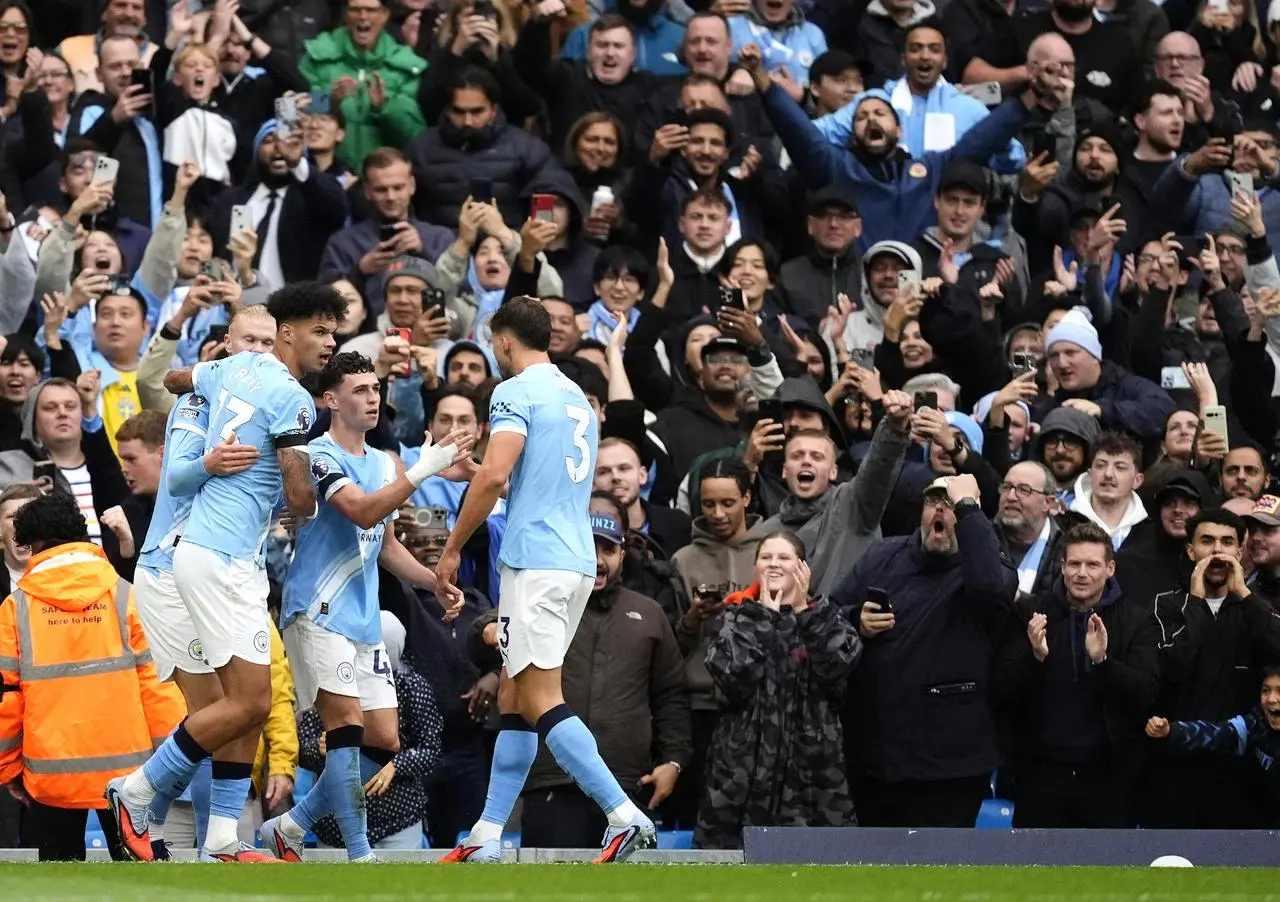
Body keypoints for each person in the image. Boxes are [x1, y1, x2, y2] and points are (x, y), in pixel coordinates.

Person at [104, 282, 346, 863]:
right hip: (191, 562)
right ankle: (135, 794)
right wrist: (307, 474)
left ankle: (220, 839)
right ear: (272, 337)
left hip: (226, 560)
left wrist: (214, 373)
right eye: (321, 331)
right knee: (240, 704)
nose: (331, 343)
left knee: (241, 704)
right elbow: (291, 495)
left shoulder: (227, 375)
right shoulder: (283, 400)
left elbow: (171, 378)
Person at [436, 295, 657, 863]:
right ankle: (486, 835)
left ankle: (622, 812)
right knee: (514, 694)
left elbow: (494, 478)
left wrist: (453, 546)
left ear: (505, 341)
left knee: (539, 697)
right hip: (574, 558)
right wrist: (489, 475)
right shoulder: (576, 399)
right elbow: (537, 482)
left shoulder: (514, 392)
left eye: (493, 343)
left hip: (535, 562)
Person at [261, 351, 471, 861]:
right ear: (331, 400)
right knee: (348, 730)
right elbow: (360, 511)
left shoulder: (386, 463)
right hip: (316, 610)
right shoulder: (319, 456)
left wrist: (431, 581)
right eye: (359, 390)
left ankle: (291, 825)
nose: (372, 397)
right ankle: (360, 853)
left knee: (384, 736)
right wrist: (424, 470)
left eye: (376, 388)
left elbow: (386, 541)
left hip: (363, 618)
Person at [0, 490, 184, 861]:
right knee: (139, 881)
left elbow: (8, 699)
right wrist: (169, 766)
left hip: (49, 775)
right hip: (129, 777)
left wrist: (8, 770)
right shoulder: (125, 595)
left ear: (33, 541)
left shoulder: (14, 608)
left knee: (59, 882)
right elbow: (156, 684)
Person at [697, 532, 859, 848]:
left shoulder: (826, 614)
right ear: (755, 566)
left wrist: (802, 609)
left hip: (813, 769)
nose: (774, 564)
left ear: (802, 566)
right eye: (766, 557)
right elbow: (732, 676)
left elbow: (840, 663)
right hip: (741, 770)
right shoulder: (735, 617)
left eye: (784, 557)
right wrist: (764, 617)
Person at [995, 522, 1160, 827]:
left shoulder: (1137, 620)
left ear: (1110, 568)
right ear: (1062, 566)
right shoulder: (1032, 613)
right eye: (1074, 563)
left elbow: (1145, 692)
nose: (1081, 573)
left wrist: (1103, 662)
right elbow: (1001, 690)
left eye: (1092, 564)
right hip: (1039, 775)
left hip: (1108, 778)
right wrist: (1035, 658)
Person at [1145, 664, 1280, 824]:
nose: (1271, 699)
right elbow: (1215, 734)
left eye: (1279, 691)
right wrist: (1171, 731)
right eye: (1266, 690)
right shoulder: (1256, 723)